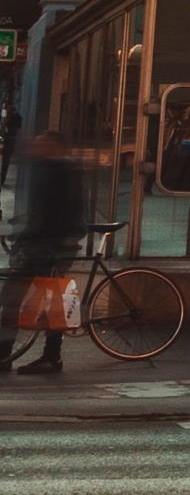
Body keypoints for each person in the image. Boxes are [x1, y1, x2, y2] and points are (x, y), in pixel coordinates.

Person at [7, 126, 92, 379]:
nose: (35, 147)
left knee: (47, 303)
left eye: (41, 144)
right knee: (15, 299)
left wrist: (33, 235)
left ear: (55, 148)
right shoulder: (47, 170)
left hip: (54, 247)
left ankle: (51, 356)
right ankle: (5, 354)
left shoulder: (63, 172)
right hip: (43, 245)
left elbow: (61, 215)